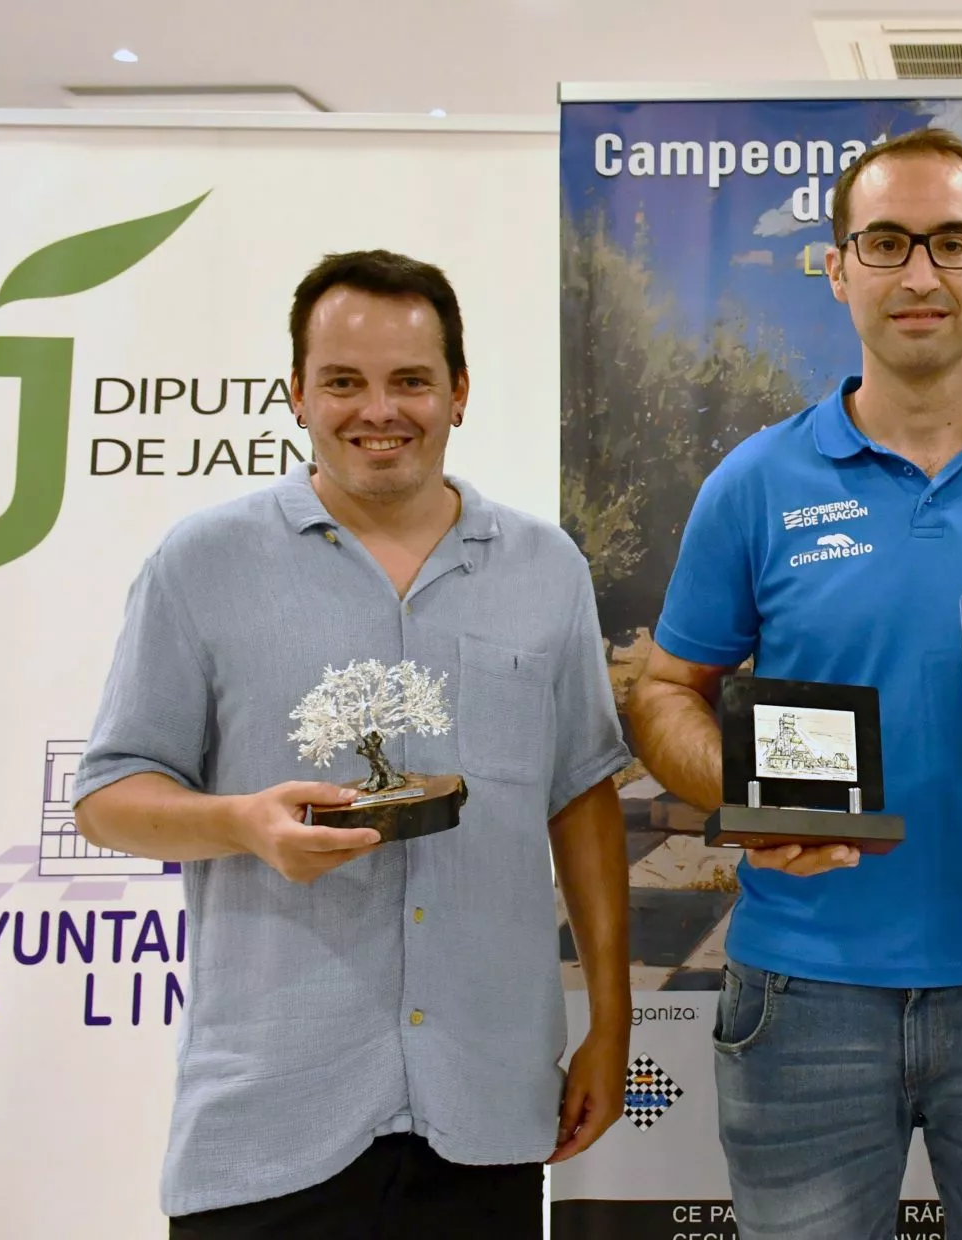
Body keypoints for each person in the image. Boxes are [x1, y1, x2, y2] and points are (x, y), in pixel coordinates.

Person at [624, 127, 962, 1240]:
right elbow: (664, 688)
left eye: (952, 242)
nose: (919, 273)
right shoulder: (754, 481)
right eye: (885, 242)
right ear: (838, 266)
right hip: (803, 997)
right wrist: (745, 793)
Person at [72, 250, 634, 1238]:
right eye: (344, 381)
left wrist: (610, 1023)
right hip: (269, 1124)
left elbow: (579, 795)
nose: (380, 409)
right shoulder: (200, 564)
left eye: (410, 380)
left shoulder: (546, 569)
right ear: (296, 394)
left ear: (458, 393)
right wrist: (242, 823)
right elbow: (109, 793)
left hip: (488, 1110)